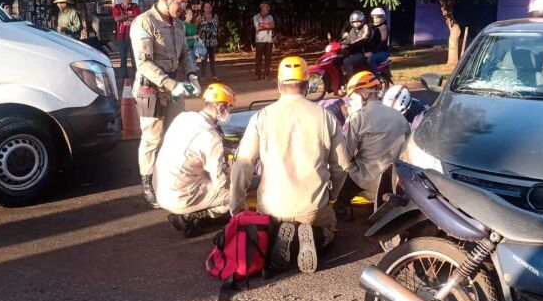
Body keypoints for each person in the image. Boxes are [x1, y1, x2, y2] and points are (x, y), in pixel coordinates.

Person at [231, 56, 349, 274]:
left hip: (271, 208)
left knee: (272, 228)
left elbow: (243, 164)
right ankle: (315, 235)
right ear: (307, 85)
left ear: (278, 85)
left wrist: (237, 205)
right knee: (330, 226)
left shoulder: (261, 117)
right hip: (312, 207)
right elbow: (342, 166)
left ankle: (282, 235)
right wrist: (333, 196)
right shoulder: (325, 117)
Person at [129, 0, 200, 207]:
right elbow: (144, 64)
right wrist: (172, 84)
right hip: (150, 89)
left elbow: (185, 54)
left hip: (174, 86)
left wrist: (192, 75)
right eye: (180, 2)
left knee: (179, 129)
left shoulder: (178, 24)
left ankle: (169, 176)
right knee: (152, 138)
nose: (183, 7)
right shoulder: (144, 22)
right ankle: (147, 183)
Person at [155, 83, 235, 237]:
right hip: (179, 196)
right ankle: (193, 217)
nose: (229, 112)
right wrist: (234, 170)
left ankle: (192, 210)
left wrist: (229, 151)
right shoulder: (211, 137)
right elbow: (221, 182)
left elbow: (195, 147)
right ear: (220, 107)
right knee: (236, 192)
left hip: (162, 186)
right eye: (229, 108)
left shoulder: (184, 117)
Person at [333, 71, 410, 222]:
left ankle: (343, 208)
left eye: (352, 96)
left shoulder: (359, 117)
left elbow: (345, 154)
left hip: (366, 180)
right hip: (395, 182)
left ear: (361, 94)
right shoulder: (399, 116)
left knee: (340, 172)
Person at [112, 0, 141, 82]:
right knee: (123, 58)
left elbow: (138, 19)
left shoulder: (135, 6)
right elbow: (116, 19)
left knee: (135, 58)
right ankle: (124, 78)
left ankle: (138, 76)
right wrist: (129, 15)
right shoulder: (117, 7)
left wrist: (123, 17)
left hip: (134, 37)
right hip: (121, 36)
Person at [342, 10, 370, 78]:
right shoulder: (353, 30)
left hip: (363, 52)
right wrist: (343, 43)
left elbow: (363, 39)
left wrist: (350, 43)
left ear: (362, 21)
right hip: (354, 52)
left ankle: (352, 81)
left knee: (347, 61)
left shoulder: (365, 28)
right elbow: (349, 39)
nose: (356, 24)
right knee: (338, 59)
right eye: (354, 22)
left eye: (358, 22)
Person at [253, 1, 275, 80]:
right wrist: (267, 26)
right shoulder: (256, 17)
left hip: (268, 40)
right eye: (267, 7)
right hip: (259, 40)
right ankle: (258, 74)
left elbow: (272, 25)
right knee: (258, 58)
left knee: (268, 58)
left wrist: (262, 25)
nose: (268, 9)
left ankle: (266, 75)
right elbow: (257, 28)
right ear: (262, 8)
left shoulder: (270, 17)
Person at [366, 7, 391, 77]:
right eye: (374, 17)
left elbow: (382, 42)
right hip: (374, 51)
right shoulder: (372, 28)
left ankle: (376, 78)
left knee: (370, 59)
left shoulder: (383, 27)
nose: (376, 19)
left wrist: (372, 52)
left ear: (382, 18)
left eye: (378, 17)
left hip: (382, 52)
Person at [199, 0, 219, 79]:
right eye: (206, 7)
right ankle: (203, 76)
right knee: (203, 59)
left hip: (213, 41)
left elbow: (217, 27)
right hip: (204, 42)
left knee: (212, 59)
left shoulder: (215, 16)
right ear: (204, 8)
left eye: (209, 7)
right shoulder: (201, 16)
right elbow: (196, 27)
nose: (208, 9)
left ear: (212, 8)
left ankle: (214, 75)